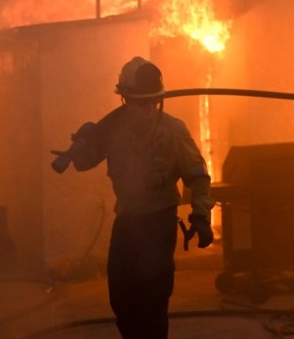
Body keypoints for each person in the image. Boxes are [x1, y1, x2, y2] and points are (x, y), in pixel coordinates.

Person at [60, 56, 215, 338]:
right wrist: (80, 147)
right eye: (141, 103)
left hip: (159, 221)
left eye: (153, 103)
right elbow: (86, 162)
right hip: (128, 220)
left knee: (152, 300)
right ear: (126, 100)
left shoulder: (173, 130)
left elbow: (197, 176)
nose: (148, 109)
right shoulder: (112, 129)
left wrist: (201, 215)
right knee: (121, 296)